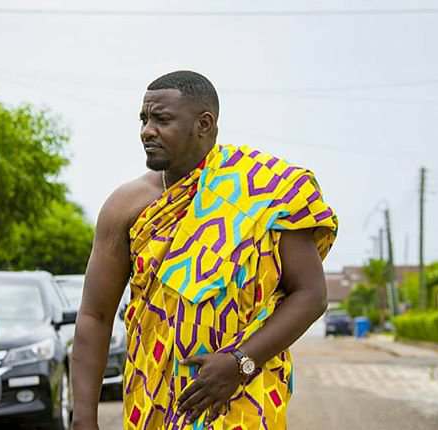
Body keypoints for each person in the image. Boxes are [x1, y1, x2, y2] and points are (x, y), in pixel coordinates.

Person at [71, 71, 338, 430]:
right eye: (144, 119)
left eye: (161, 119)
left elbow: (311, 295)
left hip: (244, 394)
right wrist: (83, 417)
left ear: (204, 123)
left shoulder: (266, 193)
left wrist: (239, 363)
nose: (147, 130)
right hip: (153, 401)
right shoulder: (125, 207)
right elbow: (94, 316)